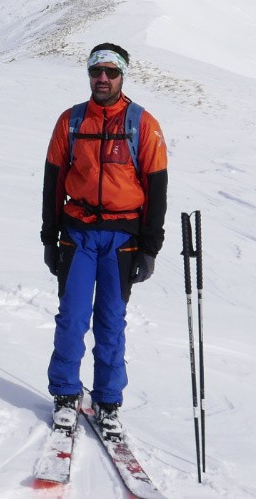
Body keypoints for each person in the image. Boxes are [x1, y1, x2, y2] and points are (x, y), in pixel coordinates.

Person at [40, 43, 168, 441]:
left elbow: (157, 187)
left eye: (111, 73)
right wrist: (49, 236)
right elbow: (52, 182)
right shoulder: (71, 121)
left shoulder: (142, 124)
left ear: (122, 76)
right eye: (97, 72)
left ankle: (108, 402)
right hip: (77, 234)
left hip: (123, 240)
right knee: (72, 318)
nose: (103, 79)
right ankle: (65, 395)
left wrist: (150, 248)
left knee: (111, 323)